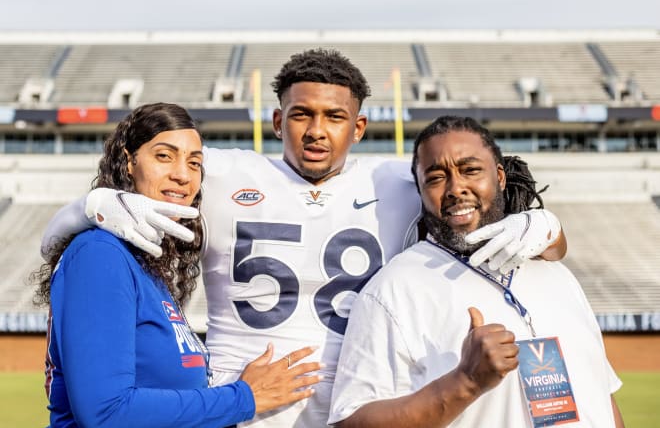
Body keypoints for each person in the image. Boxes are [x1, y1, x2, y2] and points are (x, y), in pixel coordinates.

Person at [41, 50, 567, 428]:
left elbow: (494, 221)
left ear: (358, 127)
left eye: (334, 117)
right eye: (301, 115)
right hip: (241, 407)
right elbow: (68, 238)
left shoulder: (399, 185)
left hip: (360, 406)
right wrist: (87, 207)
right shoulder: (216, 171)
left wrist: (548, 226)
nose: (317, 130)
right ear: (277, 121)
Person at [33, 103, 321, 428]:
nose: (182, 174)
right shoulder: (100, 254)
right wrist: (244, 398)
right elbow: (105, 413)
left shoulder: (145, 262)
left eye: (194, 162)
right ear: (128, 161)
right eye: (164, 156)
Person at [329, 115, 624, 428]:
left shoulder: (555, 273)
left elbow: (600, 395)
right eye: (436, 178)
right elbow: (352, 422)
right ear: (420, 191)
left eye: (470, 169)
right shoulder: (392, 289)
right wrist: (465, 382)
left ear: (499, 176)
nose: (457, 188)